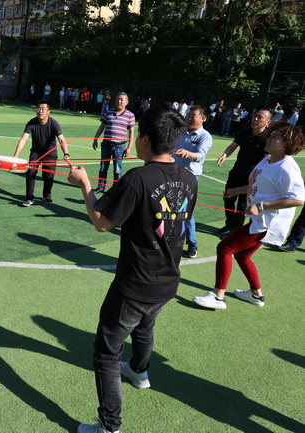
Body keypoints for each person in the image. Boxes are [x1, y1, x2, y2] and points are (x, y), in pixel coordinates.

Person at [69, 105, 197, 433]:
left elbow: (102, 222)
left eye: (137, 135)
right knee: (144, 328)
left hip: (135, 284)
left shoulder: (138, 177)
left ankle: (109, 426)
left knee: (106, 353)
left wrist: (84, 184)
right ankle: (139, 371)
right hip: (167, 282)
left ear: (145, 139)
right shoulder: (188, 179)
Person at [193, 122, 304, 310]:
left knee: (225, 247)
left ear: (287, 144)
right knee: (243, 256)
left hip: (268, 224)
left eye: (275, 137)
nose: (269, 138)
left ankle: (218, 296)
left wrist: (261, 206)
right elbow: (256, 185)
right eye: (271, 135)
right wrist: (237, 190)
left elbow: (297, 199)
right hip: (258, 220)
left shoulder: (287, 168)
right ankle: (256, 295)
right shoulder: (267, 160)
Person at [216, 109, 273, 234]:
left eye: (260, 117)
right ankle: (229, 225)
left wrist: (261, 177)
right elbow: (233, 146)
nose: (255, 119)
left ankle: (235, 230)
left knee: (242, 205)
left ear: (268, 122)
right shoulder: (245, 132)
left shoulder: (267, 138)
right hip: (236, 171)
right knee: (228, 198)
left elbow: (267, 160)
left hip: (252, 176)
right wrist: (224, 155)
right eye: (255, 116)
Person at [173, 105, 213, 258]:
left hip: (190, 177)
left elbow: (200, 156)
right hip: (173, 173)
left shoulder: (205, 136)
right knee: (168, 206)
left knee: (185, 210)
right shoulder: (181, 131)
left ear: (203, 118)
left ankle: (192, 243)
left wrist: (187, 153)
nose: (189, 118)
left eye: (193, 115)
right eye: (188, 115)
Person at [13, 100, 69, 207]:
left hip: (50, 153)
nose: (40, 111)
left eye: (43, 109)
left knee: (48, 175)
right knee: (31, 172)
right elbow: (23, 139)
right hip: (36, 152)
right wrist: (15, 156)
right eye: (38, 108)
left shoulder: (54, 123)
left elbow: (61, 140)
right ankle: (29, 197)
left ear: (48, 111)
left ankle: (47, 195)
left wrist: (66, 153)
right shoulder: (31, 123)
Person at [92, 92, 136, 193]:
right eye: (117, 99)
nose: (119, 101)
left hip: (119, 146)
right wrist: (95, 139)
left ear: (126, 102)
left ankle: (116, 190)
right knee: (103, 167)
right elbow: (102, 126)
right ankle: (101, 187)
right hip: (106, 145)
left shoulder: (130, 115)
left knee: (117, 169)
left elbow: (131, 133)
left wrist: (129, 147)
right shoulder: (108, 112)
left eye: (121, 100)